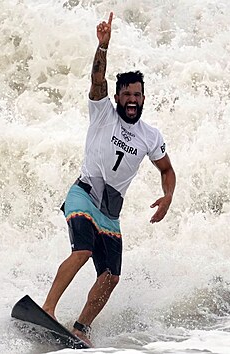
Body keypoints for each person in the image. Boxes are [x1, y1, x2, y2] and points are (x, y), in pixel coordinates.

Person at [42, 12, 176, 347]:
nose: (132, 100)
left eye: (137, 95)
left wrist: (168, 196)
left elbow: (167, 170)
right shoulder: (102, 112)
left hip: (110, 213)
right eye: (126, 95)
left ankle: (82, 327)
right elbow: (97, 80)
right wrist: (103, 48)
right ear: (117, 97)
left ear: (143, 99)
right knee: (83, 249)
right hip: (84, 195)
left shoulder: (149, 135)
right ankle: (47, 308)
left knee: (111, 276)